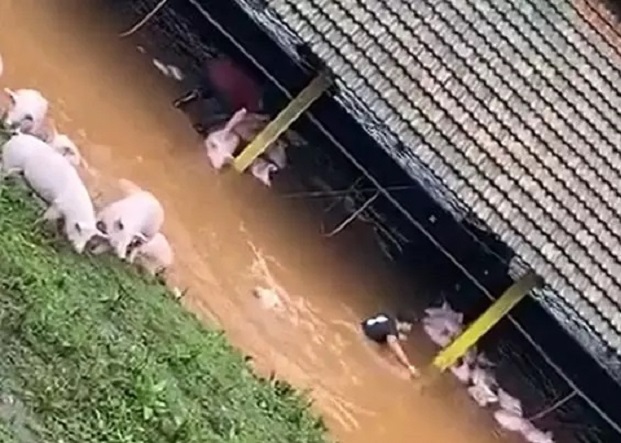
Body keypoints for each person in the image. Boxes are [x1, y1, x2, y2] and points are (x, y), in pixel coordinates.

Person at [361, 312, 420, 378]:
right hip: (365, 339)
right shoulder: (391, 333)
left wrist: (398, 336)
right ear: (404, 323)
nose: (411, 328)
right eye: (410, 325)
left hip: (362, 328)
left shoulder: (387, 316)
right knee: (386, 352)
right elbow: (397, 350)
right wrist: (409, 366)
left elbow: (384, 327)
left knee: (387, 341)